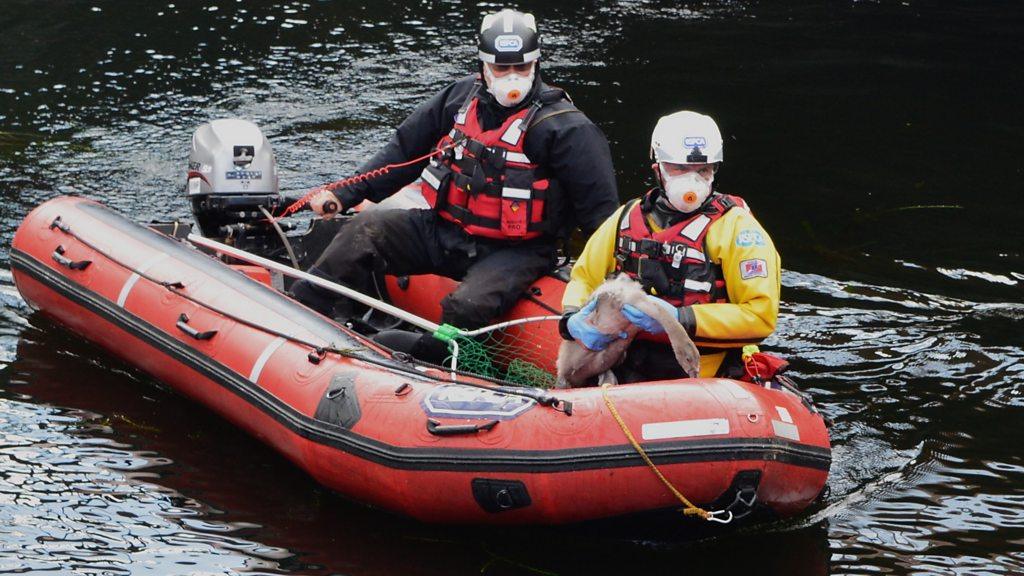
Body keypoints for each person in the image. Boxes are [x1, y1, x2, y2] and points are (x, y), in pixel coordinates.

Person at [292, 9, 619, 337]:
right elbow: (402, 153)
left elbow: (601, 218)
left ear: (536, 64)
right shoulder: (460, 98)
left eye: (521, 67)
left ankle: (435, 358)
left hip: (518, 250)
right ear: (483, 64)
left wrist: (605, 284)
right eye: (501, 67)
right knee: (364, 231)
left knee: (465, 306)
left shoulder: (567, 129)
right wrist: (342, 193)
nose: (512, 77)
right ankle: (302, 309)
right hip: (444, 230)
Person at [559, 110, 781, 381]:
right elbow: (584, 277)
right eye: (680, 169)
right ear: (658, 169)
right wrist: (571, 317)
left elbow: (760, 314)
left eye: (703, 170)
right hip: (629, 359)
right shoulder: (627, 218)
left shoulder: (737, 229)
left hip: (703, 370)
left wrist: (680, 316)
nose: (693, 180)